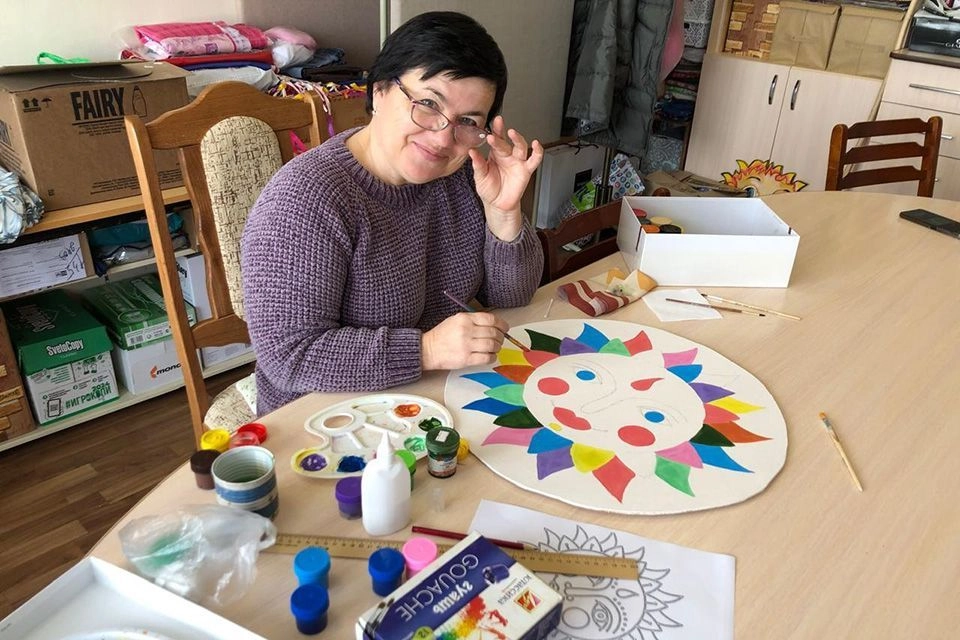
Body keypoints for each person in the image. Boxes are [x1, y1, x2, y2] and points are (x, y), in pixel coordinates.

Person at [241, 11, 545, 416]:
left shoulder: (462, 176)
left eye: (467, 121)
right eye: (428, 104)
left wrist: (503, 212)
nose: (442, 137)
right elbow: (289, 357)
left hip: (431, 397)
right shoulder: (305, 199)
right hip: (322, 420)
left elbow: (512, 298)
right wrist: (426, 350)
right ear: (380, 90)